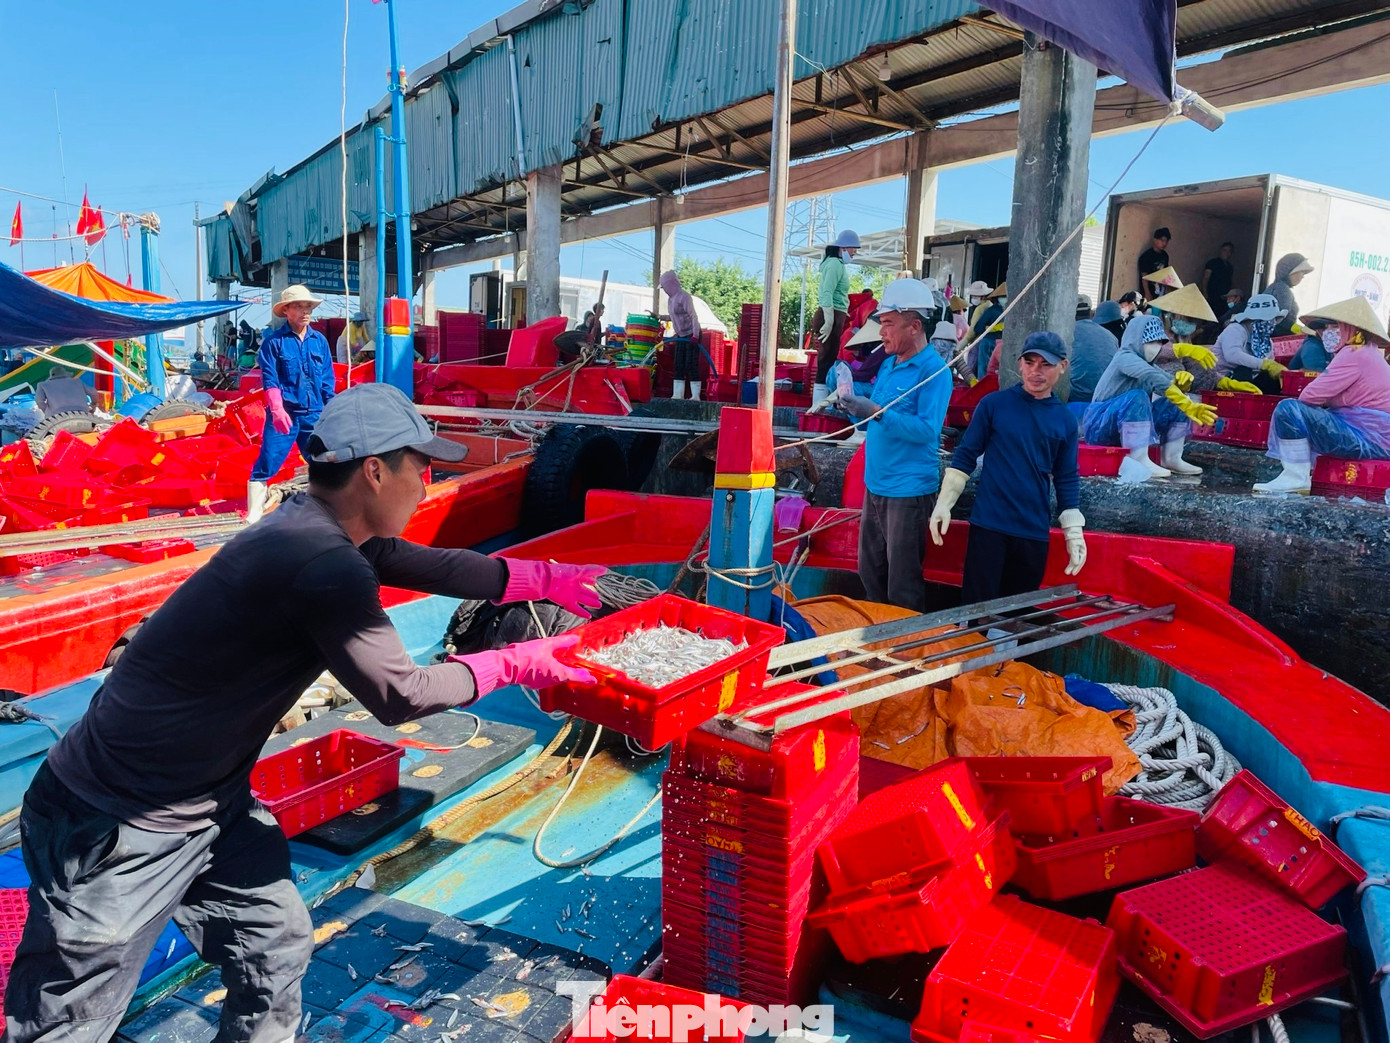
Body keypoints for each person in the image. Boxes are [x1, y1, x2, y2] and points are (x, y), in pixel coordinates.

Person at [3, 382, 604, 1043]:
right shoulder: (319, 559)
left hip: (206, 801)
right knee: (69, 1022)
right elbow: (399, 694)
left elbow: (426, 563)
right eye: (422, 464)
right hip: (118, 819)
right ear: (375, 470)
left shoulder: (313, 523)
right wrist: (519, 661)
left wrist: (543, 579)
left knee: (275, 942)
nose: (428, 478)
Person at [930, 331, 1086, 604]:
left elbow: (1066, 477)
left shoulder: (1065, 421)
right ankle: (975, 647)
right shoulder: (994, 405)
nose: (1036, 371)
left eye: (1046, 364)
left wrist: (1073, 532)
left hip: (1032, 530)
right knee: (976, 608)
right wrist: (944, 503)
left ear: (1062, 367)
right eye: (1030, 362)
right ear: (1019, 363)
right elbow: (966, 455)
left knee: (1016, 613)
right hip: (989, 526)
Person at [836, 279, 953, 611]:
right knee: (870, 573)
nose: (882, 332)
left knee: (902, 584)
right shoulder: (889, 364)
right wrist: (851, 402)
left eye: (888, 324)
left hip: (908, 493)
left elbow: (928, 431)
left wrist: (875, 412)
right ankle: (878, 641)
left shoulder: (935, 372)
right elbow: (876, 416)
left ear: (914, 326)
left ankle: (903, 652)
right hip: (876, 486)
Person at [1255, 296, 1390, 494]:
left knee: (1290, 409)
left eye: (1332, 327)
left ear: (1349, 328)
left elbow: (1309, 396)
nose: (1326, 333)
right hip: (1377, 439)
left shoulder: (1354, 353)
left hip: (1368, 439)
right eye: (1324, 329)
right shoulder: (1367, 353)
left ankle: (1296, 477)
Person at [1083, 314, 1218, 480]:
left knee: (1172, 401)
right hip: (1100, 425)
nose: (1155, 347)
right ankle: (1138, 458)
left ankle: (1171, 457)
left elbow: (1165, 384)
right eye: (1150, 342)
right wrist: (1184, 401)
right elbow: (1151, 376)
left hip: (1123, 428)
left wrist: (1181, 383)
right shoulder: (1125, 358)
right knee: (1138, 397)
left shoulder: (1150, 365)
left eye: (1158, 343)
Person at [250, 285, 337, 524]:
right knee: (268, 460)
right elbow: (270, 378)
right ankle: (254, 514)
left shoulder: (319, 341)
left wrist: (333, 410)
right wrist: (277, 408)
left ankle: (326, 510)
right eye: (299, 306)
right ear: (286, 310)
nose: (305, 311)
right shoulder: (273, 343)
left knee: (321, 460)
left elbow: (327, 380)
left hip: (315, 413)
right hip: (285, 414)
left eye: (308, 306)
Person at [811, 230, 860, 405]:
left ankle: (820, 401)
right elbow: (827, 292)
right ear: (844, 247)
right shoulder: (834, 265)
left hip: (835, 314)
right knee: (826, 359)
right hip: (829, 314)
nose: (855, 252)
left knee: (829, 357)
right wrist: (829, 318)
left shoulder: (837, 264)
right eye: (854, 248)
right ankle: (818, 402)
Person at [1211, 293, 1288, 394]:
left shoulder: (1267, 342)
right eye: (1265, 320)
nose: (1270, 323)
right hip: (1222, 379)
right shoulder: (1235, 329)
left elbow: (1268, 364)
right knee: (1244, 371)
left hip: (1252, 380)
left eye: (1273, 319)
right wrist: (1263, 364)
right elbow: (1232, 355)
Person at [659, 270, 703, 401]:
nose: (664, 290)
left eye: (664, 287)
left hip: (691, 335)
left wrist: (695, 335)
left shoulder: (684, 297)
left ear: (670, 284)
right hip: (681, 336)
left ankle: (695, 396)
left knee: (691, 364)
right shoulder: (671, 300)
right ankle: (678, 394)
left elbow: (693, 316)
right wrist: (659, 317)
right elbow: (674, 316)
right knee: (678, 364)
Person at [1070, 298, 1121, 404]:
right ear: (1091, 314)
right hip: (1104, 398)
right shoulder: (1111, 336)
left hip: (1075, 398)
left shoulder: (1068, 333)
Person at [1263, 253, 1314, 336]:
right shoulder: (1283, 290)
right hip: (1277, 338)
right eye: (1302, 272)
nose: (1302, 276)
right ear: (1291, 272)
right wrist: (1301, 330)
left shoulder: (1274, 287)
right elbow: (1281, 320)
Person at [966, 282, 1006, 381]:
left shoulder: (1009, 311)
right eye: (1003, 296)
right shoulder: (991, 310)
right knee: (984, 372)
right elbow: (977, 328)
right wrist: (992, 329)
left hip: (1001, 345)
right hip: (988, 344)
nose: (1005, 299)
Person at [1200, 242, 1236, 316]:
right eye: (1224, 250)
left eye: (1229, 251)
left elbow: (1230, 282)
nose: (1227, 253)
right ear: (1220, 250)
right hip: (1212, 296)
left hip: (1224, 297)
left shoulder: (1229, 267)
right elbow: (1205, 278)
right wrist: (1205, 293)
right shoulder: (1212, 263)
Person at [1137, 228, 1171, 292]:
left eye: (1166, 241)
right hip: (1151, 289)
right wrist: (1147, 293)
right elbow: (1144, 277)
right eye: (1162, 240)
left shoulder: (1165, 255)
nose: (1164, 244)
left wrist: (1167, 288)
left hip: (1161, 289)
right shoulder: (1146, 257)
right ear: (1155, 240)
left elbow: (1166, 273)